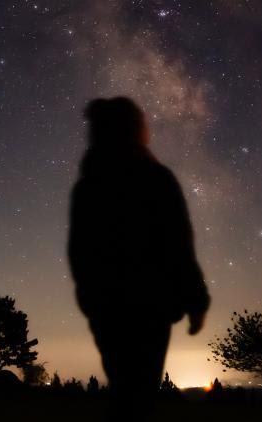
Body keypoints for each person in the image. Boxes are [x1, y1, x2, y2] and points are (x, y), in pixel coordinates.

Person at [68, 97, 210, 419]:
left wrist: (90, 301)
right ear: (134, 128)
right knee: (140, 395)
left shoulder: (88, 187)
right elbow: (179, 244)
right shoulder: (155, 177)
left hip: (106, 309)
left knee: (123, 390)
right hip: (150, 306)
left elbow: (79, 253)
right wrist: (196, 302)